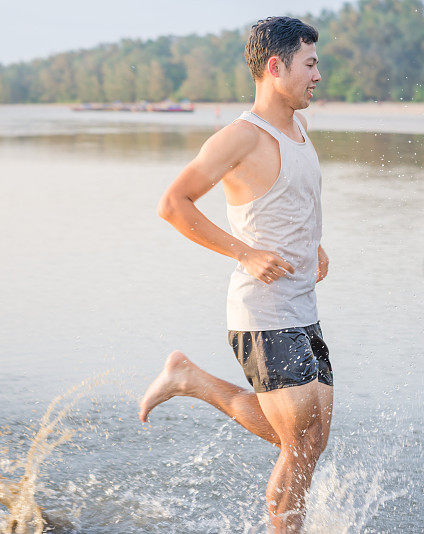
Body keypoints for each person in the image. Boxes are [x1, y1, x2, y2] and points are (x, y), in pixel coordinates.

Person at [138, 16, 331, 533]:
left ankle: (190, 378)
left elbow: (287, 199)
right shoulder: (239, 137)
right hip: (262, 309)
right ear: (275, 66)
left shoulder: (298, 127)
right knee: (296, 444)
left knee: (312, 442)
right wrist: (244, 254)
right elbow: (173, 204)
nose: (318, 75)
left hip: (302, 305)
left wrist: (313, 243)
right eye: (309, 64)